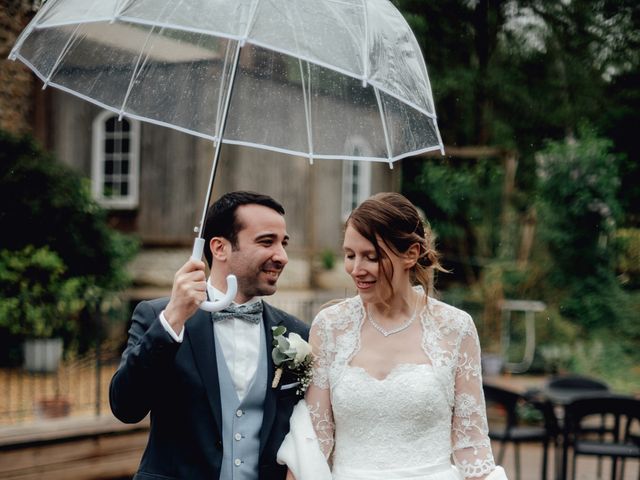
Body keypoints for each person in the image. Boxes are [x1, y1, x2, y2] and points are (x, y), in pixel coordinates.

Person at [279, 192, 506, 480]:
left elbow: (471, 445)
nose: (356, 269)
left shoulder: (456, 327)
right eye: (350, 255)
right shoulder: (330, 327)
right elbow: (314, 440)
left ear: (410, 254)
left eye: (370, 257)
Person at [110, 191, 310, 480]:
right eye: (267, 242)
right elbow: (125, 407)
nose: (282, 256)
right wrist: (174, 317)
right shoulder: (159, 317)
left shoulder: (296, 334)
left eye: (283, 243)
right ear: (219, 248)